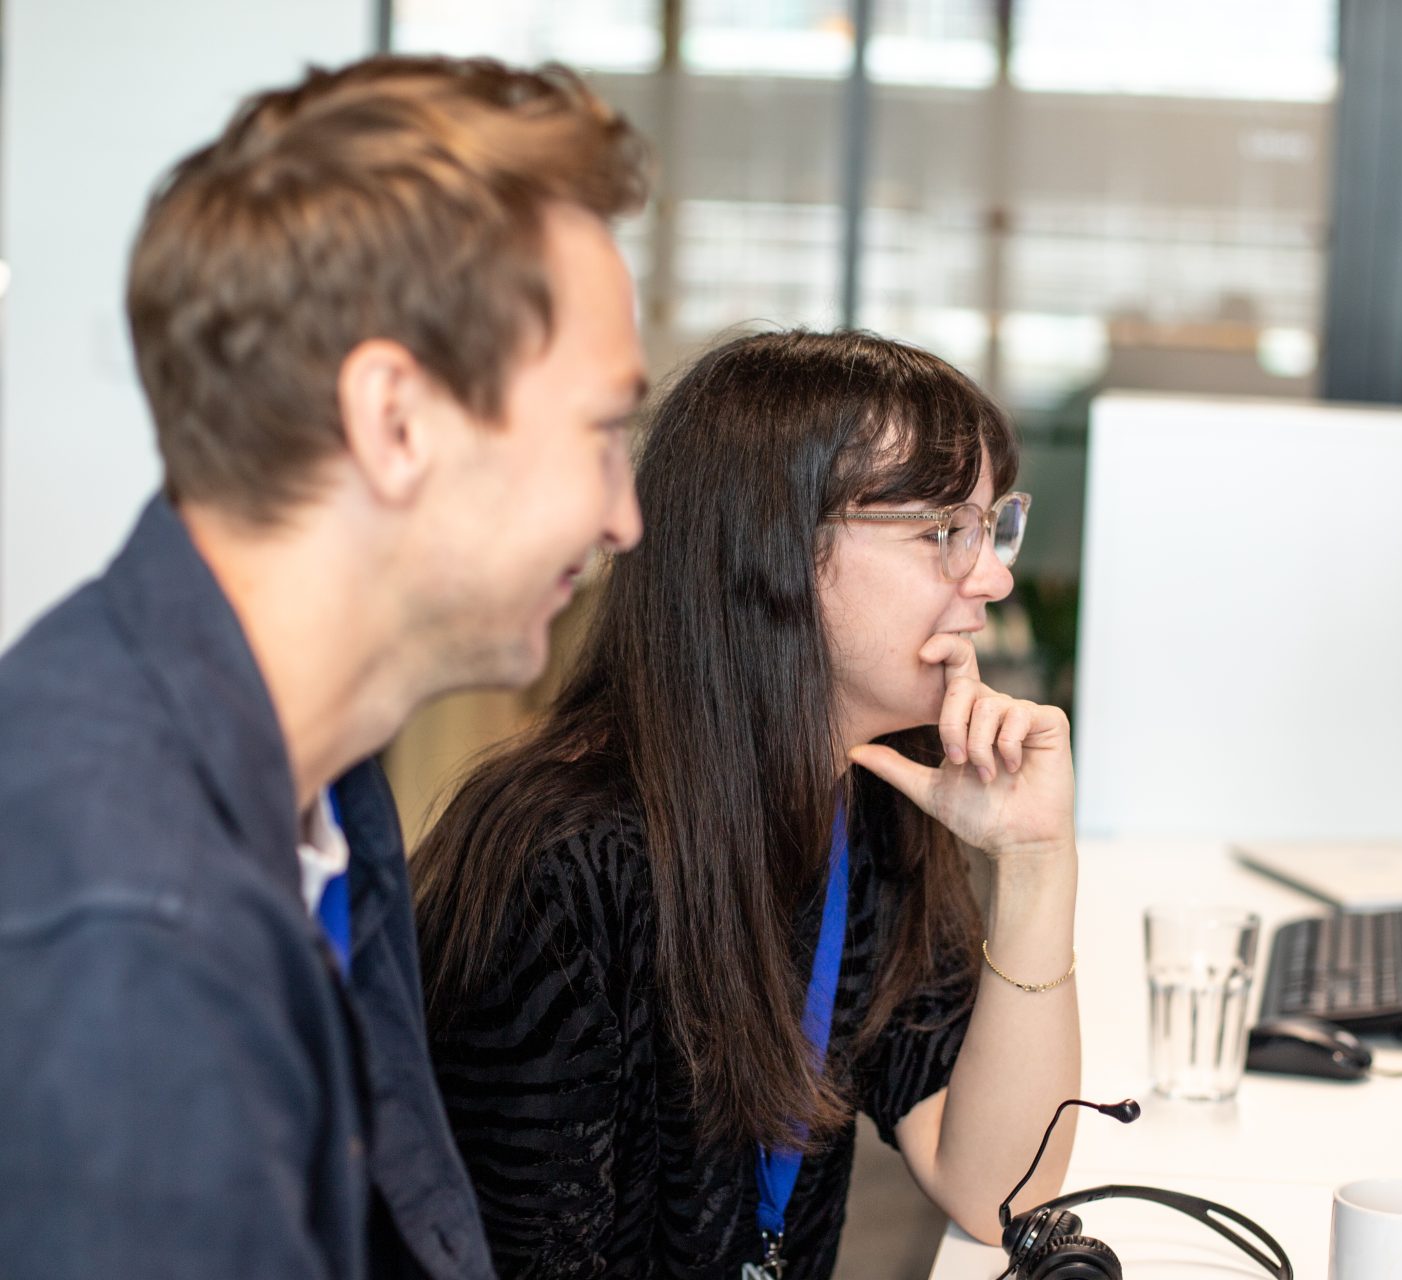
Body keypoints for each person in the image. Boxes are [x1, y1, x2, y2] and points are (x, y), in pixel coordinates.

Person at [0, 56, 650, 1278]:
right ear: (396, 420)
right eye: (604, 431)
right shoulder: (133, 936)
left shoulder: (323, 789)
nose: (626, 519)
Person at [412, 329, 1083, 1279]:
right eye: (943, 532)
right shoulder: (560, 863)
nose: (993, 575)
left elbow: (1001, 1189)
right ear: (770, 552)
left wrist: (1036, 862)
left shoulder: (873, 793)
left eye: (990, 524)